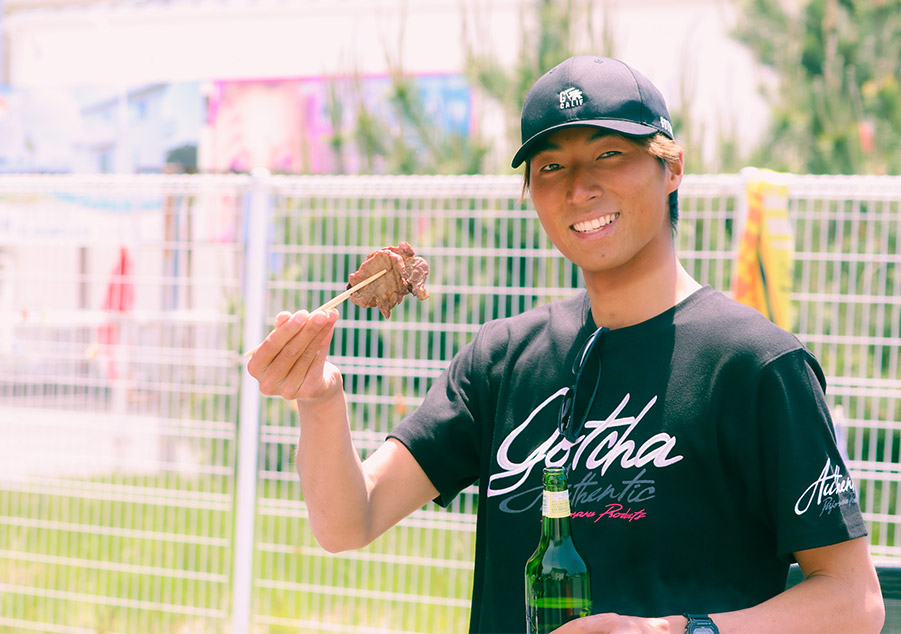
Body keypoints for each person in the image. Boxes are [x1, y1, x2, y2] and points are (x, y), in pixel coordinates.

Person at [247, 55, 884, 634]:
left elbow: (854, 601)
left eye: (609, 154)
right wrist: (320, 401)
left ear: (671, 169)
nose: (580, 188)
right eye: (552, 166)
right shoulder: (502, 360)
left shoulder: (755, 364)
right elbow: (348, 521)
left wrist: (674, 632)